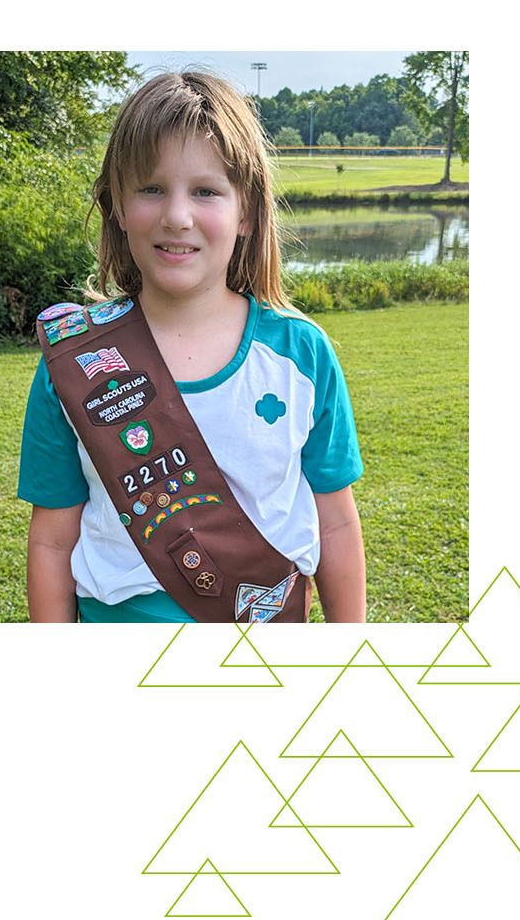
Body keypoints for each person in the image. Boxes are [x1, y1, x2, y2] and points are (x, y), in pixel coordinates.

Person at [19, 72, 365, 624]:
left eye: (205, 191)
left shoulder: (302, 358)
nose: (176, 216)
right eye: (151, 188)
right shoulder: (72, 366)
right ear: (117, 207)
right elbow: (52, 543)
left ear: (246, 212)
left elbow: (337, 525)